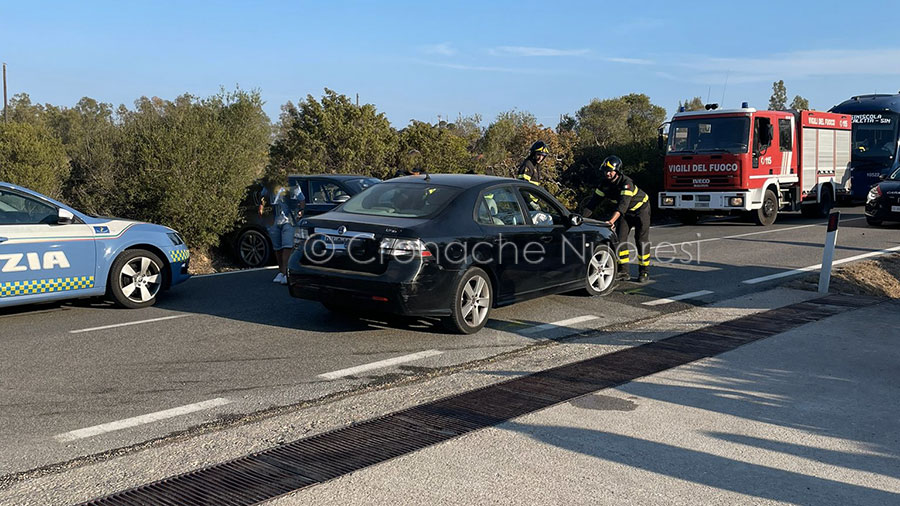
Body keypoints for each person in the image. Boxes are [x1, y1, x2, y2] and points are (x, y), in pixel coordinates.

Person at [581, 155, 651, 283]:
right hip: (625, 213)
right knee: (620, 239)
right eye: (605, 171)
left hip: (641, 210)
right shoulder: (604, 185)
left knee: (641, 240)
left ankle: (644, 271)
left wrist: (611, 222)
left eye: (610, 171)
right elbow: (592, 204)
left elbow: (622, 206)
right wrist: (579, 219)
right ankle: (624, 271)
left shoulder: (626, 183)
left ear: (617, 171)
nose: (607, 173)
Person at [259, 178, 305, 285]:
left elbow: (301, 199)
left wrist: (301, 211)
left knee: (287, 245)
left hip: (289, 219)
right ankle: (281, 271)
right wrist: (261, 208)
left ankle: (286, 272)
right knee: (277, 247)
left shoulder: (292, 184)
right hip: (274, 219)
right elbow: (263, 197)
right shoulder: (269, 184)